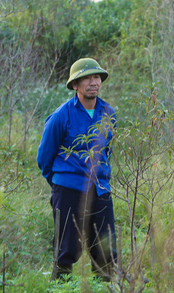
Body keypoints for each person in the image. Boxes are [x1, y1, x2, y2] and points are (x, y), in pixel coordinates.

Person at [37, 58, 118, 281]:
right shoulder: (60, 116)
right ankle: (61, 286)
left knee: (106, 250)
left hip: (101, 190)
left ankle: (105, 286)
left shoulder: (108, 113)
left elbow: (107, 151)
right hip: (68, 190)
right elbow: (44, 158)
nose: (94, 82)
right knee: (66, 249)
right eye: (87, 78)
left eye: (97, 77)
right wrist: (59, 184)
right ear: (75, 85)